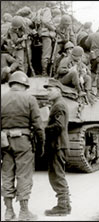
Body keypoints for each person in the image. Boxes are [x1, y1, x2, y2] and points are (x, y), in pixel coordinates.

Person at [1, 71, 45, 221]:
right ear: (24, 85)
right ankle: (24, 212)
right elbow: (38, 124)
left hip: (5, 142)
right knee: (24, 175)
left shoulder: (2, 98)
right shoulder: (29, 99)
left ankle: (8, 211)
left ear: (12, 84)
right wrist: (41, 143)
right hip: (23, 142)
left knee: (7, 174)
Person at [43, 78, 71, 216]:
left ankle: (62, 206)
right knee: (58, 174)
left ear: (58, 91)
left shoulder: (59, 105)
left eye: (50, 89)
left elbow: (59, 126)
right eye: (47, 90)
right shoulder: (58, 104)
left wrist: (44, 128)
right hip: (58, 145)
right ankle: (65, 204)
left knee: (57, 175)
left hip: (57, 145)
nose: (47, 92)